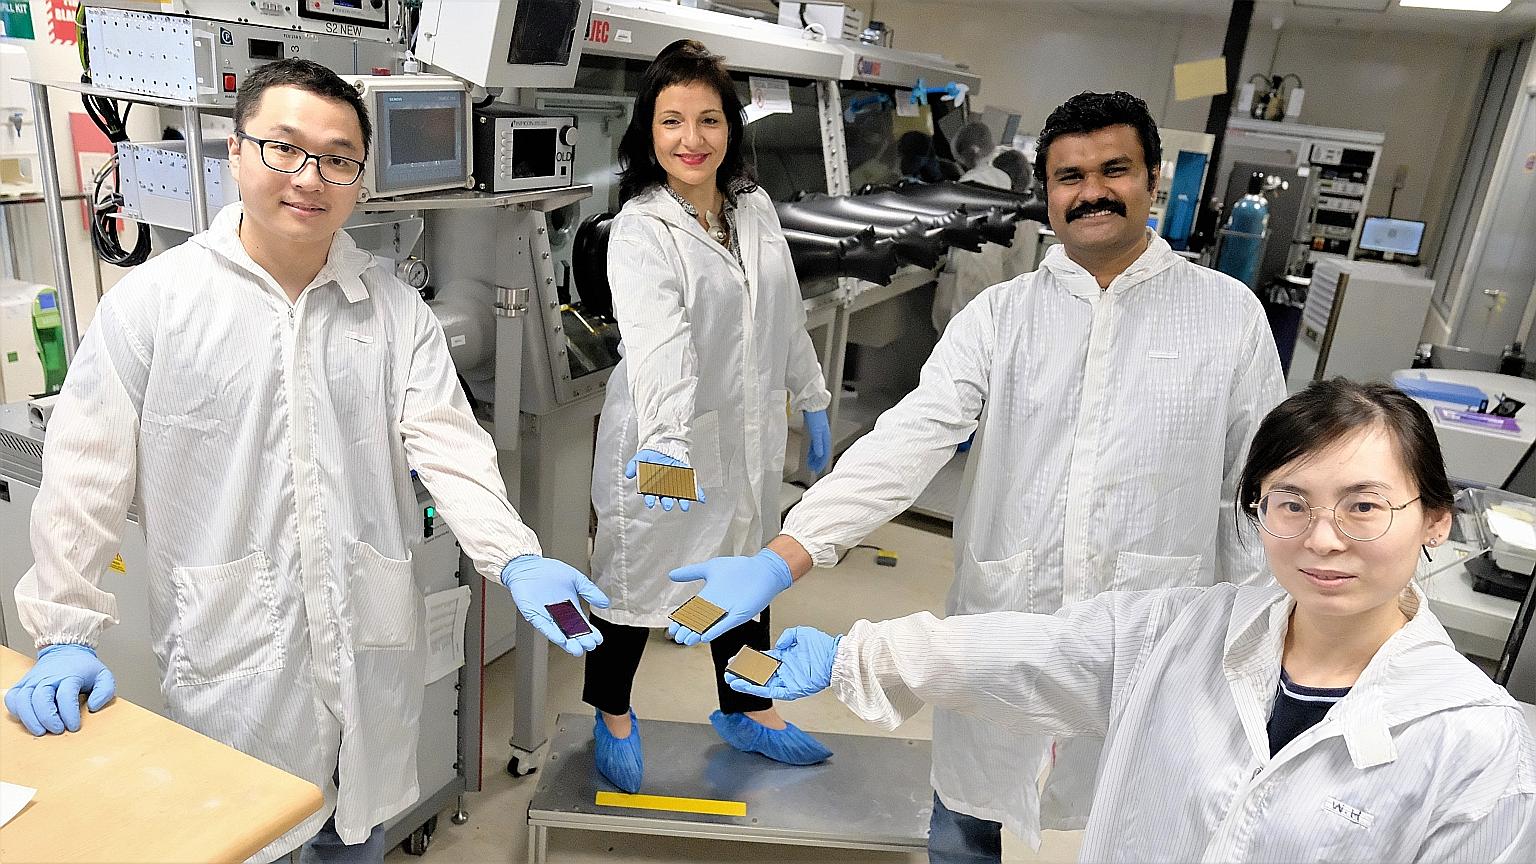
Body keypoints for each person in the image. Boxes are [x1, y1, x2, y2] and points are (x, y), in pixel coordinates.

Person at [3, 59, 608, 863]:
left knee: (355, 836)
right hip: (234, 658)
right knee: (251, 837)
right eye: (284, 149)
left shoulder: (394, 312)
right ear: (237, 154)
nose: (310, 178)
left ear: (360, 178)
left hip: (367, 651)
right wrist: (65, 627)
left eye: (337, 158)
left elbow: (453, 452)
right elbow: (84, 480)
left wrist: (518, 557)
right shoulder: (154, 306)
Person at [666, 91, 1287, 863]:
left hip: (1160, 635)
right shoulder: (1002, 317)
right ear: (1047, 193)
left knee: (1150, 821)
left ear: (1153, 180)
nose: (1091, 191)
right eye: (1069, 177)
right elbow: (909, 439)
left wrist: (1266, 645)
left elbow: (1262, 498)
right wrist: (786, 553)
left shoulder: (1227, 317)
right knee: (967, 820)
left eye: (1114, 170)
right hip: (1007, 618)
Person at [730, 379, 1536, 862]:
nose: (1323, 538)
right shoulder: (1185, 633)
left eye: (1364, 506)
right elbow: (1033, 654)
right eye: (1291, 503)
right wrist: (857, 655)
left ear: (1435, 520)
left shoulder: (1475, 742)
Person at [583, 39, 834, 795]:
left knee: (745, 582)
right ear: (647, 133)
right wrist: (664, 445)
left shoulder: (752, 209)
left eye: (708, 120)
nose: (691, 140)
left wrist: (814, 397)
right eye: (672, 122)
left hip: (746, 439)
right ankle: (613, 711)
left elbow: (785, 313)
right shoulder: (641, 230)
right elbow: (660, 349)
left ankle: (748, 707)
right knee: (633, 587)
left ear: (731, 128)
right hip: (665, 445)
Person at [933, 121, 1011, 333]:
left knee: (957, 333)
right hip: (992, 263)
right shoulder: (1003, 178)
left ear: (972, 151)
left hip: (969, 267)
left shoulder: (970, 181)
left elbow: (950, 223)